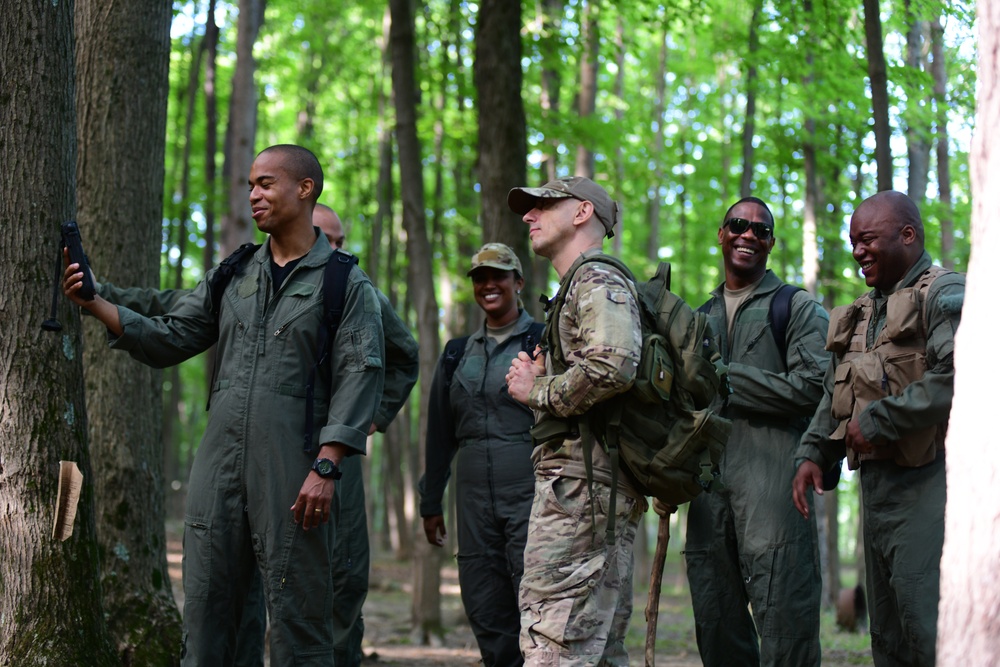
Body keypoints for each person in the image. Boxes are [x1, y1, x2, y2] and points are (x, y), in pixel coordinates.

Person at [64, 144, 386, 666]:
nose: (254, 195)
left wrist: (328, 464)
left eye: (265, 184)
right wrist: (97, 305)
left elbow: (360, 371)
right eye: (251, 186)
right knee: (208, 614)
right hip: (219, 464)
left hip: (294, 465)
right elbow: (175, 334)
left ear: (304, 189)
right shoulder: (235, 273)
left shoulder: (344, 283)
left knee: (298, 619)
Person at [792, 190, 965, 667]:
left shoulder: (945, 293)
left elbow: (961, 375)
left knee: (927, 628)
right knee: (887, 637)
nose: (857, 251)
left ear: (908, 235)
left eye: (868, 239)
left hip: (933, 486)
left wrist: (881, 420)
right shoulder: (861, 312)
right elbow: (834, 393)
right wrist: (812, 454)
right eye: (853, 242)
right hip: (877, 491)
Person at [505, 176, 644, 666]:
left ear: (583, 212)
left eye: (543, 204)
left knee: (553, 644)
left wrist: (535, 390)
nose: (529, 215)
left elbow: (614, 363)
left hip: (580, 492)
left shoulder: (595, 279)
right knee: (597, 649)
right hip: (588, 489)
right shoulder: (579, 286)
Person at [684, 196, 829, 666]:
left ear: (770, 243)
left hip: (775, 489)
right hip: (708, 493)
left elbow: (815, 386)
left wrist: (727, 377)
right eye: (738, 225)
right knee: (716, 621)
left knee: (786, 622)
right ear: (721, 234)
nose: (748, 234)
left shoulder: (796, 307)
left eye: (760, 230)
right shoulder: (695, 318)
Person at [419, 243, 542, 667]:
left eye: (499, 276)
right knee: (484, 602)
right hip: (472, 499)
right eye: (479, 278)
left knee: (537, 600)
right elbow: (440, 433)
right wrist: (430, 500)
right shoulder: (456, 353)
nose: (489, 284)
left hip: (532, 492)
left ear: (518, 283)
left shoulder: (542, 341)